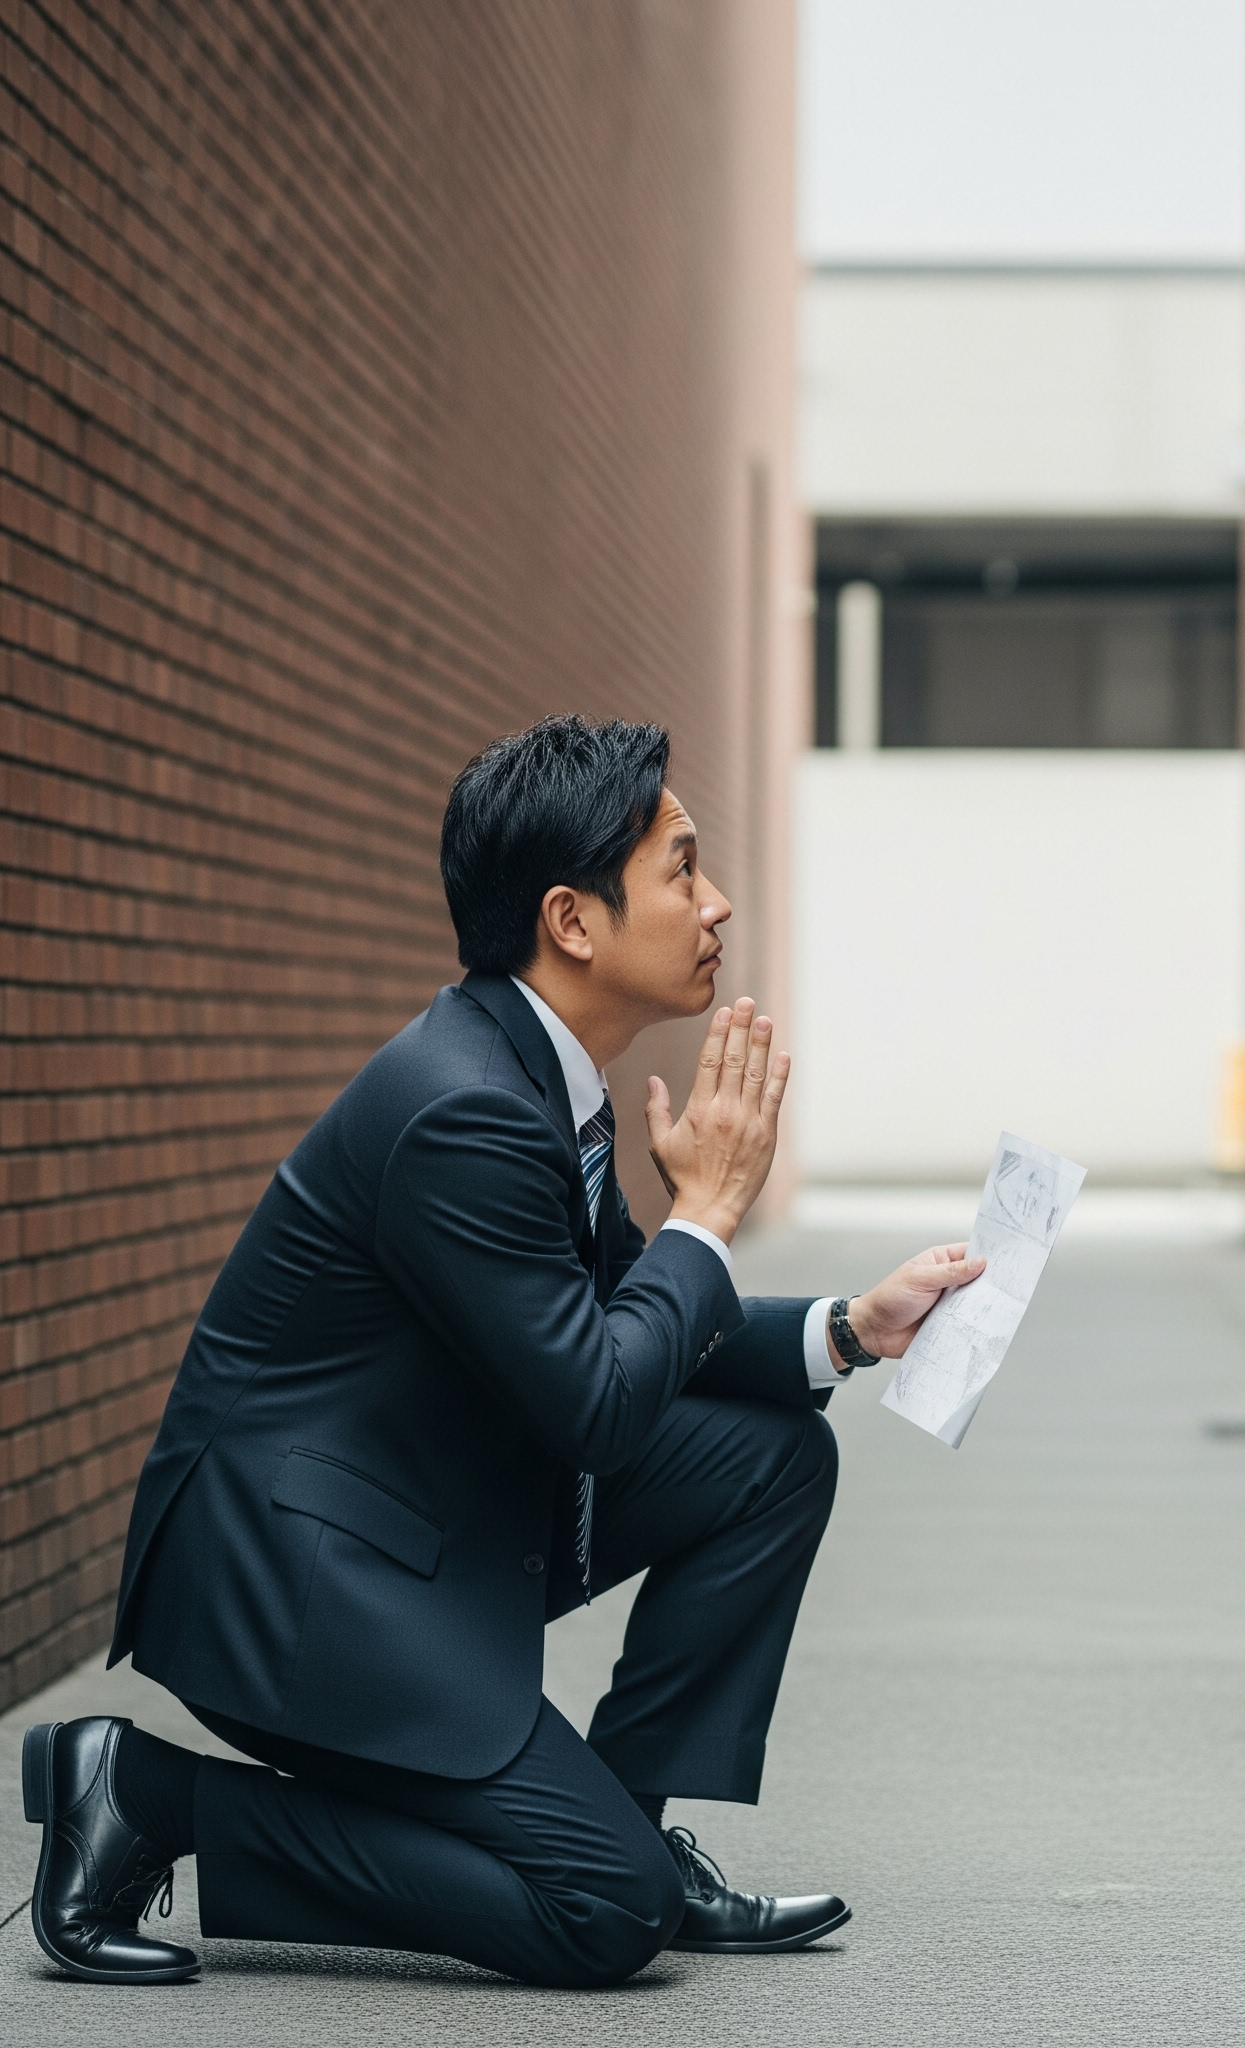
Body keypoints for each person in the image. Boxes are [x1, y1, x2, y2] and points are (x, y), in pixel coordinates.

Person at [21, 714, 983, 1988]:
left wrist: (850, 1329)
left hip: (411, 1512)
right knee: (599, 1914)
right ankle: (145, 1792)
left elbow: (618, 1317)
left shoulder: (536, 1074)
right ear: (572, 920)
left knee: (770, 1455)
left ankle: (623, 1817)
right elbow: (598, 1402)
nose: (718, 902)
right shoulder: (466, 1108)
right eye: (683, 869)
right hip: (298, 1584)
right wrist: (704, 1213)